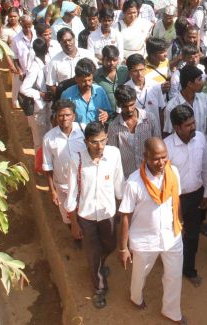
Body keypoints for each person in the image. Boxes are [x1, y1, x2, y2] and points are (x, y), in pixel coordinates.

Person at [117, 138, 186, 324]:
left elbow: (176, 199)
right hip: (145, 240)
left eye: (164, 157)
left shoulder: (173, 172)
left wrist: (180, 222)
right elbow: (125, 216)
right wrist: (123, 248)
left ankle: (172, 311)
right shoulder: (134, 182)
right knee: (140, 274)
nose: (161, 162)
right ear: (145, 156)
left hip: (172, 236)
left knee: (174, 276)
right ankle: (136, 297)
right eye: (156, 158)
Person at [65, 121, 124, 309]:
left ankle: (98, 263)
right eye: (94, 142)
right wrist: (74, 223)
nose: (100, 146)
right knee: (93, 253)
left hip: (108, 214)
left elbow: (119, 184)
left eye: (103, 140)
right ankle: (100, 288)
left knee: (110, 245)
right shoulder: (76, 160)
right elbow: (72, 195)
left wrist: (122, 210)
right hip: (86, 217)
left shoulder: (114, 154)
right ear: (86, 142)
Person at [164, 104, 207, 286]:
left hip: (197, 196)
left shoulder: (200, 139)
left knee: (192, 235)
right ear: (176, 127)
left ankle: (189, 269)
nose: (193, 127)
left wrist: (206, 193)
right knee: (173, 234)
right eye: (188, 125)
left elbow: (206, 167)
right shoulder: (166, 146)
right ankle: (171, 268)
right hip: (174, 200)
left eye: (194, 123)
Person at [42, 99, 85, 225]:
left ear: (74, 116)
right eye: (61, 115)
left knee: (85, 217)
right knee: (69, 219)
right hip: (63, 187)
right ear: (56, 117)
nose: (64, 118)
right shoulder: (49, 138)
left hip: (84, 184)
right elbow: (48, 167)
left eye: (67, 115)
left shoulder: (84, 130)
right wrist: (53, 191)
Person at [109, 84, 161, 178]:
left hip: (150, 174)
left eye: (131, 105)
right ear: (119, 105)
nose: (129, 109)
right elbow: (113, 155)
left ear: (135, 100)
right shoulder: (113, 127)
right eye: (125, 106)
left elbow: (158, 146)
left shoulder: (150, 119)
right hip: (127, 177)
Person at [20, 38, 52, 173]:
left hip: (47, 107)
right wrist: (40, 94)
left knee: (48, 136)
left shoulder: (47, 62)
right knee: (39, 140)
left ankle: (47, 164)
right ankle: (39, 167)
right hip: (39, 108)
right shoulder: (34, 67)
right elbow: (24, 88)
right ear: (46, 49)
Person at [163, 64, 207, 135]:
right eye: (199, 79)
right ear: (190, 84)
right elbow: (168, 133)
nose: (202, 82)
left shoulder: (204, 97)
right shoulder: (171, 107)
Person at [61, 58, 111, 126]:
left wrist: (106, 115)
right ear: (76, 79)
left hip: (97, 131)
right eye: (84, 81)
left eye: (90, 80)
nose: (87, 83)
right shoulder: (67, 95)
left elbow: (109, 112)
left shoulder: (100, 91)